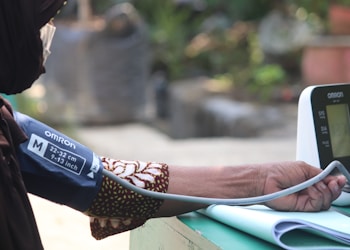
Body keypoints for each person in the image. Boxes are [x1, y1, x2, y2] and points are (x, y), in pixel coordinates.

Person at [0, 0, 347, 249]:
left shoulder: (7, 125)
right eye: (38, 23)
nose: (42, 53)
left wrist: (259, 182)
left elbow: (102, 182)